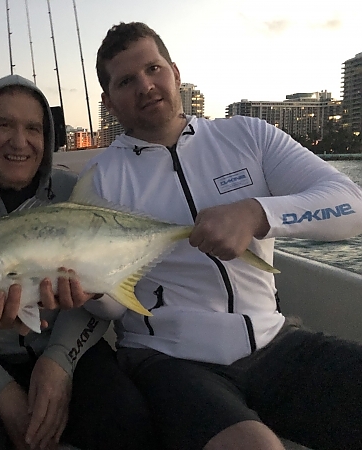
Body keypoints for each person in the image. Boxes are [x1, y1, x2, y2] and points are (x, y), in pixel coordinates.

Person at [84, 21, 362, 450]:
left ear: (175, 72)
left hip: (274, 342)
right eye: (126, 81)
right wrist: (88, 290)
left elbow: (351, 204)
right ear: (109, 101)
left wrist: (257, 213)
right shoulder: (100, 181)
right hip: (169, 360)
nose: (145, 86)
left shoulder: (247, 135)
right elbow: (110, 306)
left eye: (153, 69)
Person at [0, 74, 155, 450]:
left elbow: (98, 285)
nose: (19, 142)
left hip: (68, 347)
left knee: (128, 423)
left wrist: (60, 362)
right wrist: (0, 392)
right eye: (4, 124)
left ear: (47, 138)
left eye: (33, 128)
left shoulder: (73, 193)